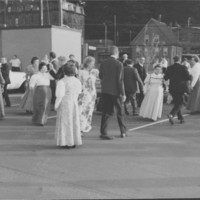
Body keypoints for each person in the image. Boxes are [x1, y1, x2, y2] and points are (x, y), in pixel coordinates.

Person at [99, 46, 126, 139]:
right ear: (116, 52)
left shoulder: (103, 63)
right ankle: (122, 131)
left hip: (105, 90)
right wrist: (123, 93)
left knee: (106, 112)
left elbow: (101, 76)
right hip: (116, 91)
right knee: (120, 111)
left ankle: (103, 132)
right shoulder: (119, 64)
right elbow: (120, 80)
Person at [55, 62, 82, 148]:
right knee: (73, 121)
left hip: (65, 102)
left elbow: (59, 95)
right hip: (74, 102)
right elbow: (78, 93)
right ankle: (73, 141)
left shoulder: (62, 82)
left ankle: (65, 142)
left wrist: (56, 105)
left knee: (65, 122)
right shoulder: (77, 81)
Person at [164, 56, 191, 124]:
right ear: (180, 60)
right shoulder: (183, 67)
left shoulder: (169, 68)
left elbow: (166, 78)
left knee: (177, 102)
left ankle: (181, 118)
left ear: (174, 60)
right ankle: (171, 114)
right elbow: (188, 77)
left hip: (172, 88)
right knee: (180, 103)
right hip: (181, 88)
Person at [78, 56, 98, 133]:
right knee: (82, 111)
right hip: (84, 93)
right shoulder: (81, 72)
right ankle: (80, 128)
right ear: (88, 63)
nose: (93, 65)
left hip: (91, 94)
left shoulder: (93, 72)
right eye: (92, 63)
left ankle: (85, 126)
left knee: (89, 111)